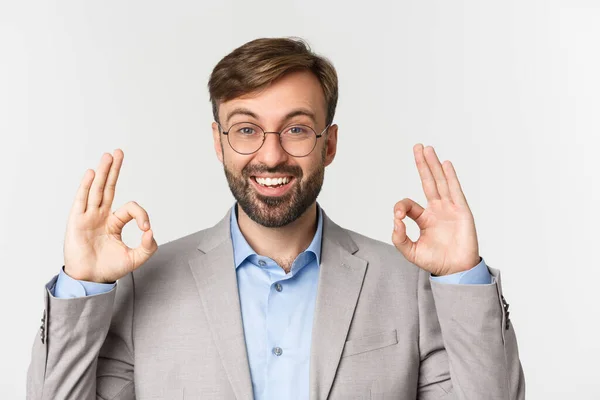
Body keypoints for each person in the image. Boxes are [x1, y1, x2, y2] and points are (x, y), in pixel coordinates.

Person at [27, 37, 525, 400]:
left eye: (297, 129)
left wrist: (463, 277)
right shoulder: (140, 286)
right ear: (218, 143)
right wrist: (82, 286)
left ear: (328, 145)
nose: (271, 156)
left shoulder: (409, 285)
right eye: (246, 129)